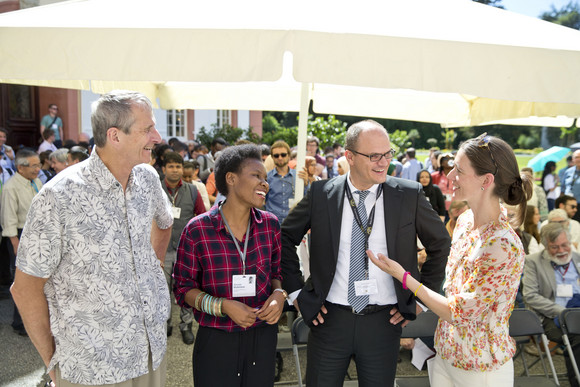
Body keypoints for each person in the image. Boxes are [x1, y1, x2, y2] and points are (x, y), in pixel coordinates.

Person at [10, 90, 174, 386]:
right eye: (147, 129)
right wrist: (52, 363)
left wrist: (153, 267)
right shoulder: (58, 197)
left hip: (150, 352)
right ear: (115, 136)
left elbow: (163, 223)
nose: (157, 137)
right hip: (93, 367)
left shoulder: (148, 179)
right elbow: (25, 288)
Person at [281, 119, 450, 386]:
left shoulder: (409, 194)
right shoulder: (322, 193)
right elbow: (284, 238)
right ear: (349, 156)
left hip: (384, 322)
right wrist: (296, 293)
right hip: (329, 319)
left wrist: (421, 299)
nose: (384, 162)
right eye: (374, 156)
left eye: (387, 154)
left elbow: (440, 244)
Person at [369, 133, 533, 386]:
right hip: (445, 355)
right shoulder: (465, 221)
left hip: (480, 369)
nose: (449, 176)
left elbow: (458, 312)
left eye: (459, 169)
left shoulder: (502, 245)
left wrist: (404, 277)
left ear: (486, 180)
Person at [173, 144, 285, 386]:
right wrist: (223, 306)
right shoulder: (197, 230)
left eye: (265, 178)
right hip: (217, 339)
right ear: (231, 179)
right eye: (256, 175)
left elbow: (277, 272)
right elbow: (183, 290)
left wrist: (279, 294)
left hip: (262, 336)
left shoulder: (271, 225)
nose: (264, 183)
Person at [522, 222, 580, 387]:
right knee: (577, 337)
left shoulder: (577, 259)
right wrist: (563, 312)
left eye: (564, 245)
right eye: (555, 247)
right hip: (552, 316)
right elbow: (530, 296)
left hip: (578, 311)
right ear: (546, 246)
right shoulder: (533, 261)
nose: (561, 251)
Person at [161, 151, 206, 344]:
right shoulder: (155, 190)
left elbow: (202, 216)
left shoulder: (192, 190)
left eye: (178, 166)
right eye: (171, 166)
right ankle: (165, 323)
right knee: (163, 290)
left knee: (186, 288)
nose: (175, 170)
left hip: (185, 249)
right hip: (161, 249)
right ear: (163, 169)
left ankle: (186, 325)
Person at [1, 149, 43, 337]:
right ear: (20, 167)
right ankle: (19, 322)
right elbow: (8, 218)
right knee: (22, 279)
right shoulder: (11, 187)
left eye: (38, 164)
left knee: (37, 278)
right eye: (34, 165)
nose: (38, 169)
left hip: (37, 233)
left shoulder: (35, 181)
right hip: (19, 235)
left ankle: (35, 318)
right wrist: (15, 242)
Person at [265, 140, 296, 224]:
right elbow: (263, 201)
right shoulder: (267, 178)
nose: (280, 158)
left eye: (283, 154)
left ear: (289, 155)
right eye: (276, 155)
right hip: (272, 224)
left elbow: (305, 197)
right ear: (272, 157)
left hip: (293, 223)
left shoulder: (298, 176)